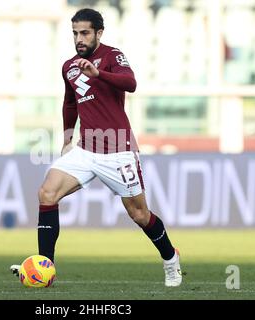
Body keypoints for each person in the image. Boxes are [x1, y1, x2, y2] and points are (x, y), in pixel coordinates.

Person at [11, 8, 182, 287]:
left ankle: (170, 259)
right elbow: (70, 102)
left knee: (139, 214)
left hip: (118, 148)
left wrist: (99, 73)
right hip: (86, 149)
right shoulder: (69, 66)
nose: (79, 38)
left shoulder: (113, 56)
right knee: (47, 193)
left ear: (98, 33)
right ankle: (45, 269)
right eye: (75, 33)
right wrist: (67, 137)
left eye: (85, 33)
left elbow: (131, 83)